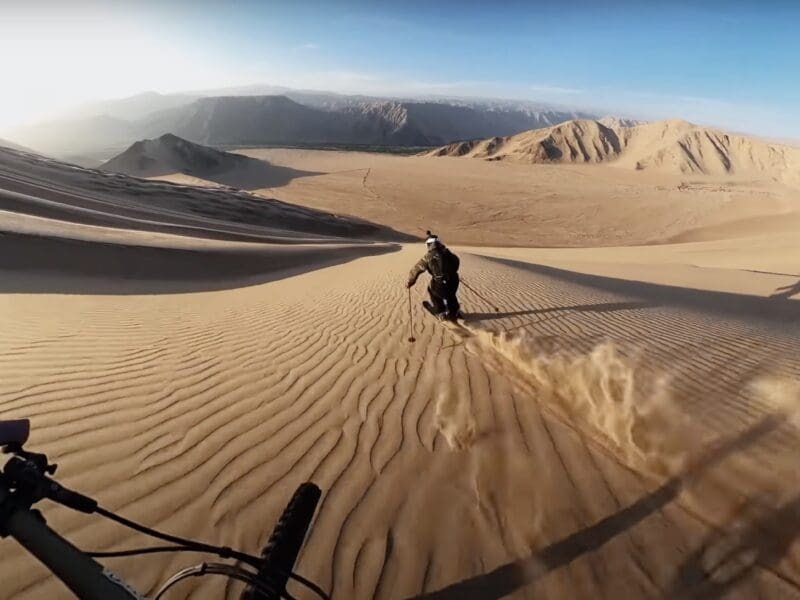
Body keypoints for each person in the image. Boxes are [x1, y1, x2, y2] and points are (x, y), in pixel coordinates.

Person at [407, 230, 461, 321]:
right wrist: (451, 272)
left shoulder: (428, 257)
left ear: (428, 245)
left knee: (431, 290)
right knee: (451, 294)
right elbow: (456, 261)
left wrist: (410, 281)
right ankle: (454, 311)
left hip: (440, 285)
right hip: (454, 282)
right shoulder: (447, 252)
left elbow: (416, 269)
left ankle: (440, 311)